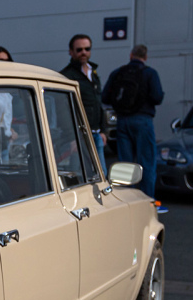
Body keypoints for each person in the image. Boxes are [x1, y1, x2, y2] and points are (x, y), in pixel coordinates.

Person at [103, 44, 164, 198]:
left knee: (125, 165)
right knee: (147, 163)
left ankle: (127, 200)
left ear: (131, 55)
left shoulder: (118, 73)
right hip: (143, 121)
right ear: (145, 57)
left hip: (122, 121)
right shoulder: (150, 73)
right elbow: (157, 97)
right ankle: (147, 200)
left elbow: (105, 97)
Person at [59, 34, 108, 172]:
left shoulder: (93, 73)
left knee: (101, 175)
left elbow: (98, 103)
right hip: (79, 135)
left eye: (87, 49)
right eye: (79, 50)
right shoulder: (66, 76)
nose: (83, 52)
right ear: (71, 51)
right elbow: (63, 109)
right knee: (77, 176)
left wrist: (103, 130)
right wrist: (71, 137)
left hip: (96, 134)